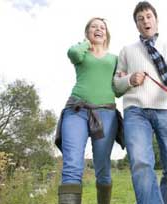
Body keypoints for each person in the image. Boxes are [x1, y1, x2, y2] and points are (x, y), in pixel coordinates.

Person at [113, 1, 167, 204]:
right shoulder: (127, 51)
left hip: (166, 109)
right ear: (136, 25)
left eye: (148, 16)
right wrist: (129, 79)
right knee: (140, 162)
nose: (145, 21)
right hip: (135, 111)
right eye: (140, 19)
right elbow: (117, 85)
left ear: (156, 20)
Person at [54, 17, 124, 204]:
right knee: (72, 165)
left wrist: (130, 80)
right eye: (94, 27)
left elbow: (118, 90)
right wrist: (86, 43)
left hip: (106, 114)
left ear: (107, 33)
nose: (99, 29)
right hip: (76, 110)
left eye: (102, 27)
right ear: (87, 32)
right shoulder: (82, 52)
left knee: (102, 167)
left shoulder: (115, 59)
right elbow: (73, 53)